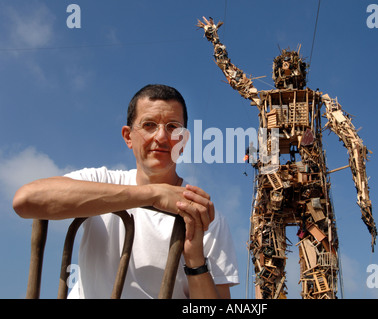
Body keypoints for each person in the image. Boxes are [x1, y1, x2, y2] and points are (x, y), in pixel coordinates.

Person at [12, 84, 239, 299]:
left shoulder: (204, 214)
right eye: (149, 125)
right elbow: (26, 199)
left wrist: (194, 258)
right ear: (128, 136)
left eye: (172, 127)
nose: (161, 137)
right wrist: (153, 194)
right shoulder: (101, 180)